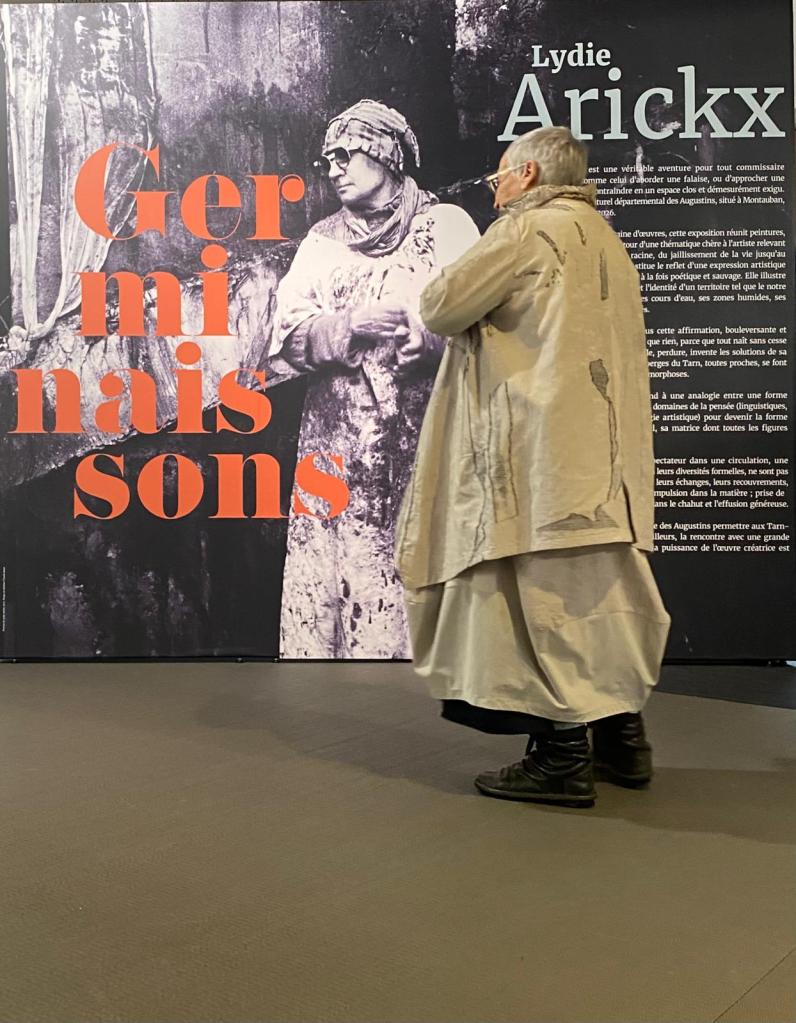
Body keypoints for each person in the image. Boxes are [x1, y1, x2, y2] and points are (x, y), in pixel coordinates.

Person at [395, 126, 671, 808]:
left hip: (536, 459)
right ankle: (622, 740)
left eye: (500, 176)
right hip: (604, 464)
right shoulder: (607, 238)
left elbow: (439, 306)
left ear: (527, 175)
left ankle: (561, 756)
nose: (494, 189)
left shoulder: (524, 231)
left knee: (536, 604)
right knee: (600, 598)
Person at [269, 99, 479, 658]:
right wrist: (347, 325)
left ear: (385, 154)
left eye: (346, 155)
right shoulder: (321, 243)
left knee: (415, 588)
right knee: (335, 592)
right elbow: (286, 340)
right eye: (327, 161)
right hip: (336, 453)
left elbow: (487, 325)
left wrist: (431, 343)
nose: (333, 169)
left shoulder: (445, 229)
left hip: (423, 443)